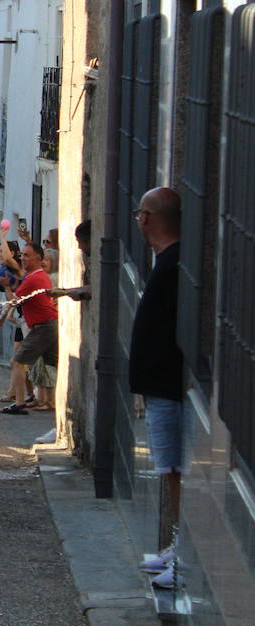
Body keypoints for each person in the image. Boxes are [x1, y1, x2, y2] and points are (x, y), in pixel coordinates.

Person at [129, 187, 186, 589]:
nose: (136, 220)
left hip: (170, 385)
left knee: (174, 469)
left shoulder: (173, 266)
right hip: (162, 385)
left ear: (147, 218)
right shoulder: (167, 263)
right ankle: (178, 547)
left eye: (138, 214)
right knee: (169, 469)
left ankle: (184, 556)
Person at [0, 242, 58, 414]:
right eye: (22, 255)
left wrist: (1, 316)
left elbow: (14, 300)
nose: (23, 258)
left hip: (43, 327)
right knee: (55, 364)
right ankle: (47, 399)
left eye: (27, 255)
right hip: (47, 326)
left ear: (38, 258)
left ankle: (20, 403)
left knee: (17, 361)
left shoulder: (34, 278)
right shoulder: (38, 276)